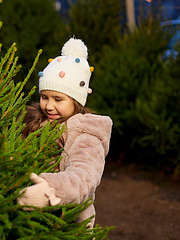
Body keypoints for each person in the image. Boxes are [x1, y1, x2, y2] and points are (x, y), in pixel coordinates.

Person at [17, 37, 113, 228]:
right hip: (30, 223)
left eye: (58, 99)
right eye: (45, 97)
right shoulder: (34, 122)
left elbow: (83, 177)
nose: (49, 106)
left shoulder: (86, 134)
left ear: (76, 101)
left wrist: (49, 190)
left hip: (68, 223)